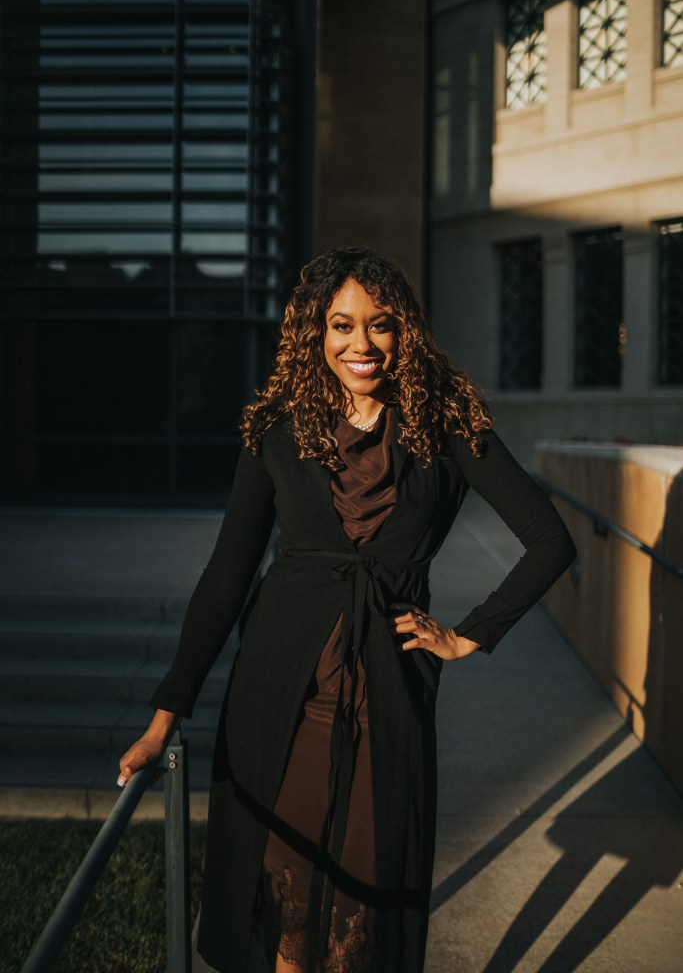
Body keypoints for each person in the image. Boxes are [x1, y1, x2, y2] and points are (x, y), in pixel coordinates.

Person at [118, 246, 576, 973]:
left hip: (387, 694)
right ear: (314, 334)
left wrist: (467, 637)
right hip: (280, 690)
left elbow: (548, 540)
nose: (360, 344)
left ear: (404, 333)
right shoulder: (275, 428)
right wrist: (164, 716)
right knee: (284, 893)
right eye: (341, 325)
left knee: (365, 901)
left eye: (379, 325)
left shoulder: (447, 422)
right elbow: (224, 578)